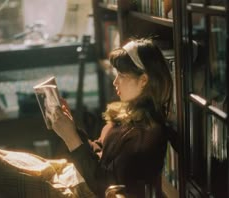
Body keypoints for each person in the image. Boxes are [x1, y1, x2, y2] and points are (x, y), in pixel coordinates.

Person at [47, 38, 173, 198]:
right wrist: (71, 129)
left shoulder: (146, 134)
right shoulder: (127, 117)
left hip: (84, 191)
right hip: (76, 181)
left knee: (8, 170)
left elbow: (106, 188)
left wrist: (71, 138)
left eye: (121, 75)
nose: (115, 82)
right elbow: (99, 153)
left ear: (143, 80)